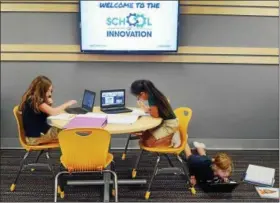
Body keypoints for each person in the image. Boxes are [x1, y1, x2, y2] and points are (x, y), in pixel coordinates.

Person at [19, 76, 77, 146]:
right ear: (41, 90)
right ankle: (72, 153)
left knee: (65, 128)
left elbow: (49, 114)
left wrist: (49, 103)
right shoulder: (36, 101)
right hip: (35, 138)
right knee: (68, 130)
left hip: (35, 136)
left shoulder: (31, 98)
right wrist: (68, 104)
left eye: (51, 90)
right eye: (48, 90)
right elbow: (53, 112)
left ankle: (71, 152)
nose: (50, 93)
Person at [130, 79, 179, 147]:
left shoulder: (151, 99)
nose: (139, 98)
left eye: (138, 96)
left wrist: (144, 107)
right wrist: (146, 108)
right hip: (164, 122)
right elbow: (156, 110)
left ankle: (172, 136)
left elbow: (155, 115)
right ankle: (168, 135)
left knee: (148, 143)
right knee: (144, 136)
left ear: (142, 93)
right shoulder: (155, 94)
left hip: (169, 125)